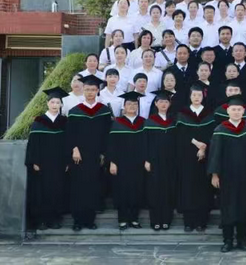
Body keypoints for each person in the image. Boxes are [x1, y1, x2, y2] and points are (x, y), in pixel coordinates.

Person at [209, 95, 246, 252]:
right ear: (228, 111)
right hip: (226, 177)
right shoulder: (221, 130)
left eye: (239, 110)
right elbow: (215, 154)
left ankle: (243, 240)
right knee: (227, 208)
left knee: (244, 208)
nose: (236, 112)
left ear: (243, 111)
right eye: (233, 109)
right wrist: (215, 175)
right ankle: (228, 240)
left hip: (245, 176)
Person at [66, 75, 112, 231]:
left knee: (93, 187)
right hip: (79, 156)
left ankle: (90, 220)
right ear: (82, 90)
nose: (90, 92)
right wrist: (74, 148)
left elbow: (107, 135)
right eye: (87, 89)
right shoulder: (75, 111)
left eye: (93, 89)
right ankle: (77, 220)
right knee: (78, 187)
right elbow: (70, 134)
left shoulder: (104, 112)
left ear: (98, 90)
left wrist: (104, 153)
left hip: (96, 156)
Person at [26, 87, 70, 230]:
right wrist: (35, 161)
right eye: (52, 102)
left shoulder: (64, 122)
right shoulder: (39, 121)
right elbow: (33, 144)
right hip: (42, 164)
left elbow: (68, 144)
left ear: (61, 105)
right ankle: (42, 220)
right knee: (41, 191)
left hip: (58, 164)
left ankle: (55, 219)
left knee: (57, 190)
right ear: (48, 104)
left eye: (58, 102)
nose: (55, 105)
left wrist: (67, 161)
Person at [175, 84, 215, 232]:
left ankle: (201, 221)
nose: (197, 98)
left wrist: (204, 148)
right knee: (188, 187)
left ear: (203, 97)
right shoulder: (182, 114)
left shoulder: (209, 114)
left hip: (205, 156)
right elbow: (180, 134)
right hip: (187, 156)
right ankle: (189, 221)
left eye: (199, 95)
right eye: (194, 95)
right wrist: (196, 143)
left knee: (203, 187)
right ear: (190, 97)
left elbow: (212, 133)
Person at [106, 91, 147, 230]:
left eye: (135, 104)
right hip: (121, 164)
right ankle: (123, 219)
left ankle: (134, 219)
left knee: (136, 190)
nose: (132, 106)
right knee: (122, 190)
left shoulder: (142, 122)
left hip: (138, 163)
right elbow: (111, 145)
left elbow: (147, 144)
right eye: (129, 104)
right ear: (124, 106)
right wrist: (112, 162)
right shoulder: (117, 123)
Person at [143, 89, 177, 231]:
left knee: (168, 190)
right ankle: (155, 220)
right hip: (154, 161)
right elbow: (145, 142)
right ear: (156, 104)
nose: (163, 104)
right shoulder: (150, 122)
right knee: (155, 190)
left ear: (169, 104)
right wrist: (147, 160)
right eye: (161, 101)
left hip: (170, 161)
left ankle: (166, 220)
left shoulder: (173, 121)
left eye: (166, 101)